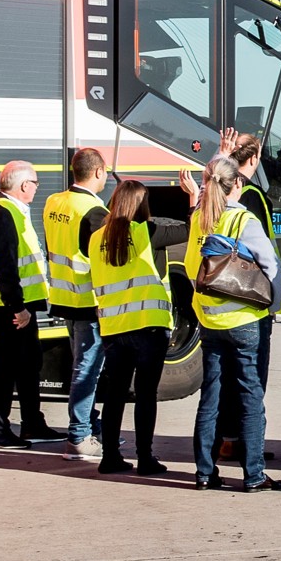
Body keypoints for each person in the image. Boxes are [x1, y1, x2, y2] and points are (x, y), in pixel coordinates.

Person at [187, 156, 281, 492]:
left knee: (210, 396)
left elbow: (191, 268)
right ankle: (254, 474)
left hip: (210, 321)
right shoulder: (244, 220)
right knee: (250, 396)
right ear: (237, 184)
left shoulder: (199, 220)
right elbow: (270, 266)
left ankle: (204, 472)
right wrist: (272, 303)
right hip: (244, 320)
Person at [90, 177, 197, 475]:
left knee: (115, 393)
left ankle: (109, 456)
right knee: (146, 394)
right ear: (142, 205)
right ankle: (145, 458)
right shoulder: (145, 231)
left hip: (113, 327)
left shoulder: (96, 237)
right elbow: (191, 228)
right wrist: (193, 196)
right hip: (148, 326)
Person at [0, 160, 64, 449]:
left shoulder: (11, 210)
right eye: (35, 183)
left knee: (28, 363)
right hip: (8, 305)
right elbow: (5, 265)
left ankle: (32, 424)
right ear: (24, 185)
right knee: (5, 367)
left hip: (19, 303)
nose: (36, 188)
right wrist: (17, 307)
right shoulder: (4, 213)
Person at [43, 148, 110, 460]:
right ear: (97, 172)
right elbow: (103, 260)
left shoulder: (54, 201)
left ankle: (92, 430)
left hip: (62, 298)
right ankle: (79, 436)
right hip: (89, 302)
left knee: (82, 366)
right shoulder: (94, 210)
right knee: (87, 370)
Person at [218, 132, 278, 462]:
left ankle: (224, 440)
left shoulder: (213, 193)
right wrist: (273, 300)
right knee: (252, 378)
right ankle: (245, 443)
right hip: (247, 303)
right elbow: (267, 256)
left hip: (215, 304)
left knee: (222, 378)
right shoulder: (251, 196)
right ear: (254, 160)